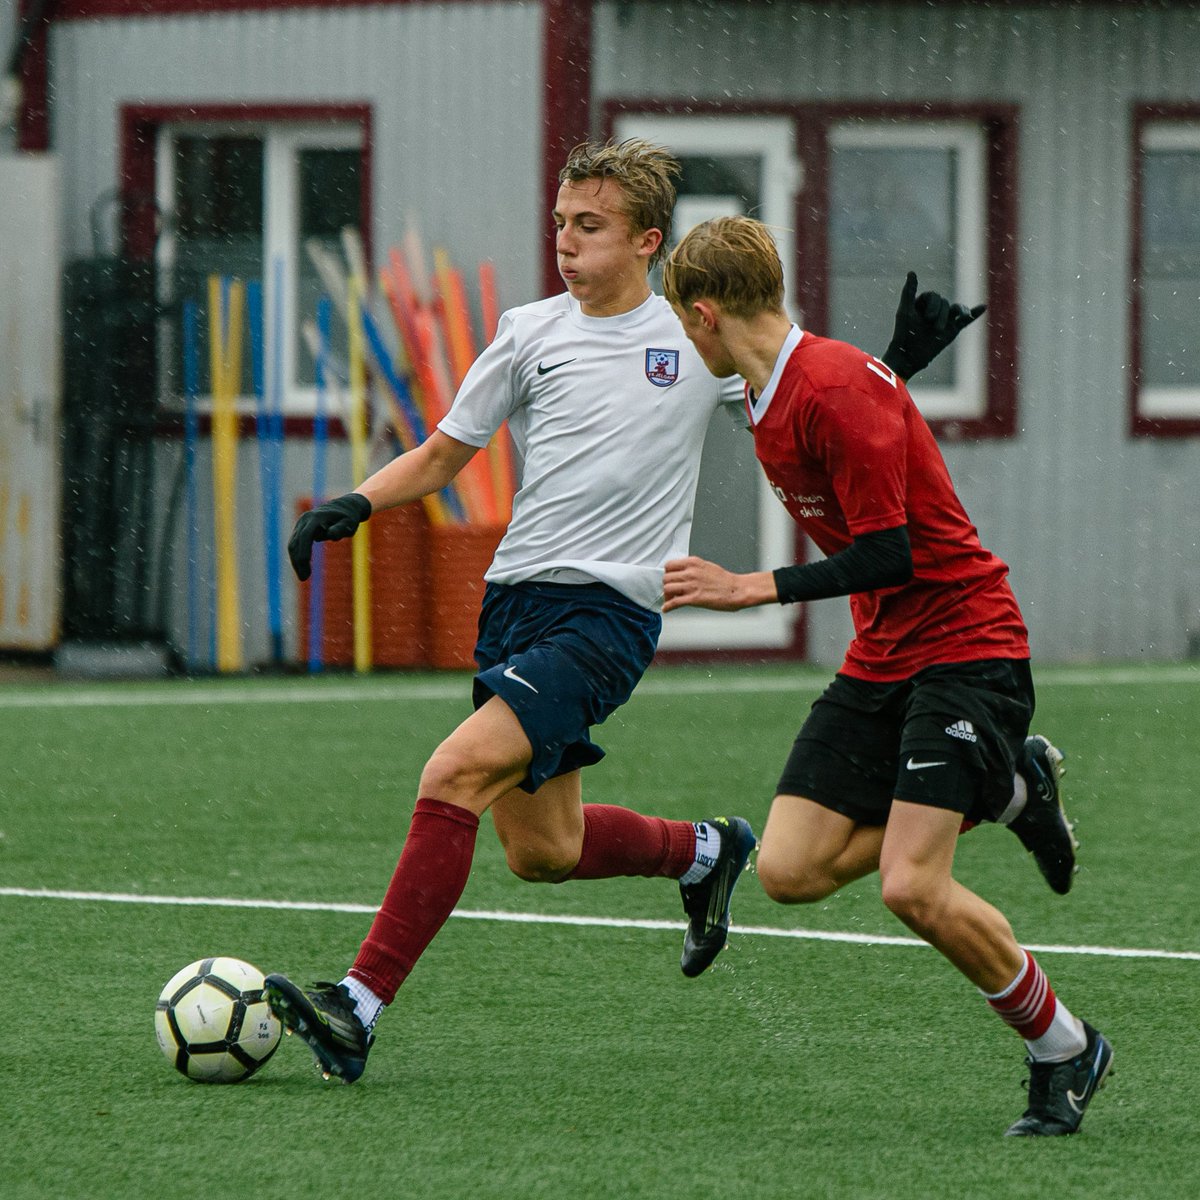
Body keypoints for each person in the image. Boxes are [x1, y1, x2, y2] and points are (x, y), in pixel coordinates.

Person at [264, 140, 973, 1086]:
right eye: (559, 222)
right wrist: (355, 503)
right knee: (543, 852)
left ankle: (357, 1003)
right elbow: (442, 455)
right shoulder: (526, 332)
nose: (564, 241)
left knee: (454, 771)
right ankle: (703, 852)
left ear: (647, 241)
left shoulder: (696, 342)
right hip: (515, 605)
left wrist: (891, 368)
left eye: (587, 226)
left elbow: (807, 397)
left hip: (608, 617)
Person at [659, 214, 1109, 1137]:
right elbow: (859, 422)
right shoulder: (774, 386)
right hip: (884, 655)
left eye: (678, 319)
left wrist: (756, 587)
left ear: (705, 314)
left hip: (967, 648)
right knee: (787, 869)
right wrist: (891, 377)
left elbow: (893, 553)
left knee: (911, 884)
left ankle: (1064, 1047)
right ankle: (1013, 788)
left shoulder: (825, 383)